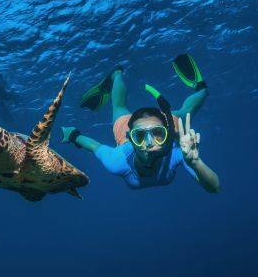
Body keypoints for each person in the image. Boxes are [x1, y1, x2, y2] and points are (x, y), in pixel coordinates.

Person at [61, 55, 220, 192]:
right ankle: (116, 74)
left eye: (157, 134)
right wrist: (74, 135)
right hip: (127, 125)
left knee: (187, 111)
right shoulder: (118, 160)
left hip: (165, 123)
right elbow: (93, 146)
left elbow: (214, 188)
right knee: (118, 106)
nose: (149, 143)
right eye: (139, 136)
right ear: (130, 138)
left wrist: (195, 162)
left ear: (167, 134)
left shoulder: (178, 152)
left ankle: (201, 88)